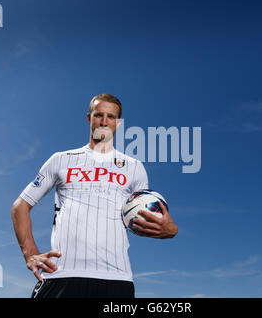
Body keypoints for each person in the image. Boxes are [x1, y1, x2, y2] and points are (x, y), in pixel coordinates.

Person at [11, 94, 178, 298]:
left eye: (110, 116)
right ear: (89, 118)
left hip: (117, 280)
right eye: (99, 115)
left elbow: (140, 219)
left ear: (118, 123)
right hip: (61, 275)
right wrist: (30, 254)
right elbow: (20, 206)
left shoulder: (135, 168)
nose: (104, 121)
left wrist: (170, 230)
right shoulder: (61, 160)